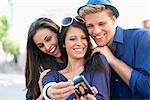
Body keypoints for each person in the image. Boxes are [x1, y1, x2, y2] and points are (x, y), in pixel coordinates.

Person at [77, 0, 150, 99]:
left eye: (102, 24)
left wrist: (112, 60)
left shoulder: (141, 38)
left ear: (113, 20)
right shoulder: (92, 54)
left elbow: (148, 88)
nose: (96, 31)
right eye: (90, 26)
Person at [42, 16, 110, 100]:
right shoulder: (52, 76)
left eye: (83, 38)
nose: (79, 43)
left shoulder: (97, 62)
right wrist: (49, 92)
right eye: (72, 39)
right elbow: (49, 88)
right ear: (63, 43)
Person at [25, 17, 65, 99]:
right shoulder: (40, 69)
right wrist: (45, 94)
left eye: (49, 39)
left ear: (57, 32)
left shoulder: (77, 55)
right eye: (41, 46)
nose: (47, 47)